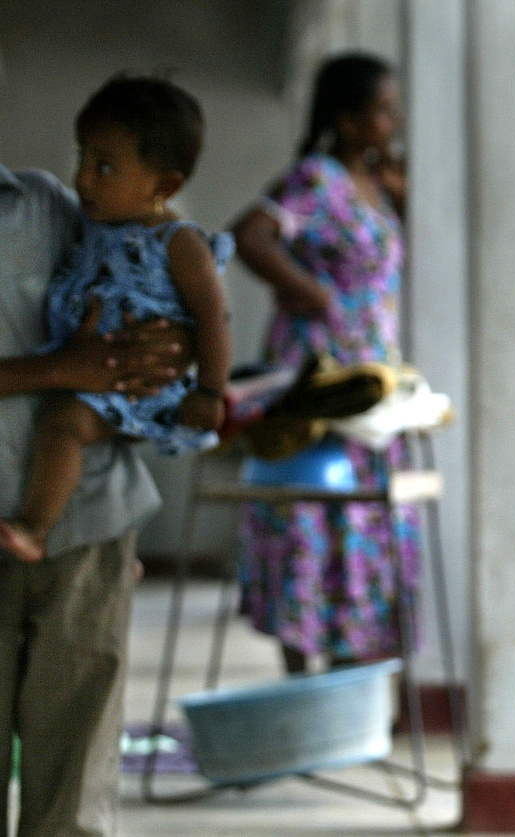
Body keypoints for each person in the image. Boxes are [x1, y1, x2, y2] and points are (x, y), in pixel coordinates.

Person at [0, 138, 196, 836]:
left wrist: (161, 355)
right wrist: (57, 370)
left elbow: (136, 325)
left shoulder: (52, 207)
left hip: (86, 525)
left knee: (75, 775)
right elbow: (74, 363)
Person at [232, 52, 417, 674]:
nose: (394, 120)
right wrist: (310, 292)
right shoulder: (316, 179)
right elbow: (248, 235)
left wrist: (402, 196)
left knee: (362, 517)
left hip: (370, 374)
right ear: (346, 116)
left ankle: (349, 670)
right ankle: (301, 669)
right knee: (307, 509)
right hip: (317, 369)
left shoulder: (379, 181)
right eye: (382, 109)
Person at [0, 76, 231, 565]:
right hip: (90, 388)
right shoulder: (91, 220)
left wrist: (203, 380)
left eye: (102, 166)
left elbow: (213, 317)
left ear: (165, 186)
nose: (84, 179)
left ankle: (34, 527)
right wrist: (62, 367)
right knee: (60, 422)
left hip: (119, 418)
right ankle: (35, 530)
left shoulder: (171, 241)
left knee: (61, 423)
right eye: (82, 158)